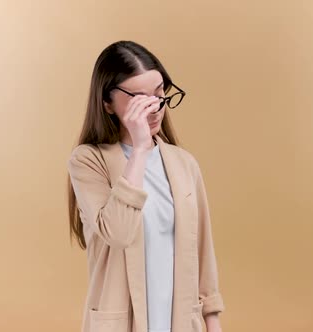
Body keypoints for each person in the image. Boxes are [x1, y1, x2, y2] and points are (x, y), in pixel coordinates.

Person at [66, 40, 224, 332]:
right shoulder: (88, 161)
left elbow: (203, 251)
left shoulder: (184, 164)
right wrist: (139, 149)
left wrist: (213, 323)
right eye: (140, 98)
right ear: (107, 103)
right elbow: (119, 233)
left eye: (159, 94)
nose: (155, 107)